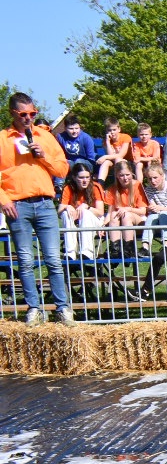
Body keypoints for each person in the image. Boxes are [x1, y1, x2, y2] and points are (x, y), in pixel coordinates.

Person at [0, 93, 73, 325]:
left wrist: (43, 157)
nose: (29, 118)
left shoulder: (45, 137)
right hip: (17, 206)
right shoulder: (2, 138)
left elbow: (62, 170)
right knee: (25, 260)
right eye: (24, 114)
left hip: (44, 204)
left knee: (53, 259)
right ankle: (34, 308)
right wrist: (3, 199)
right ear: (12, 113)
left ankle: (62, 308)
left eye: (33, 114)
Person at [96, 160, 147, 259]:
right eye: (121, 175)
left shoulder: (138, 186)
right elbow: (110, 212)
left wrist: (128, 209)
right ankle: (115, 249)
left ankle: (128, 249)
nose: (125, 178)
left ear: (132, 173)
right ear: (117, 176)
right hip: (120, 221)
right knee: (114, 215)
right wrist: (104, 225)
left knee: (126, 215)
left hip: (138, 219)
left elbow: (143, 211)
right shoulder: (113, 189)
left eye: (127, 175)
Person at [59, 163, 106, 262]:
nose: (85, 180)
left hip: (94, 220)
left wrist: (87, 207)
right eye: (81, 177)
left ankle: (87, 252)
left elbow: (100, 212)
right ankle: (70, 252)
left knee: (85, 212)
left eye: (87, 177)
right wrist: (67, 207)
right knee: (66, 213)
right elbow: (59, 211)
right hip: (76, 220)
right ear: (74, 177)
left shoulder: (96, 187)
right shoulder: (68, 188)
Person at [138, 161, 167, 254]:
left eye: (155, 178)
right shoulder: (149, 190)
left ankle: (166, 244)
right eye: (150, 179)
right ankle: (145, 246)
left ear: (162, 176)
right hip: (159, 218)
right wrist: (152, 209)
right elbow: (153, 207)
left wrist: (160, 208)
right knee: (151, 216)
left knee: (163, 214)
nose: (153, 181)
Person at [95, 118, 130, 183]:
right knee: (106, 163)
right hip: (114, 162)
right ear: (106, 131)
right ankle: (100, 184)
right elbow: (111, 156)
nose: (112, 132)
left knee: (118, 159)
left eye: (114, 130)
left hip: (128, 162)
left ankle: (118, 184)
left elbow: (121, 155)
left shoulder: (125, 137)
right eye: (109, 130)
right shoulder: (106, 141)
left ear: (119, 129)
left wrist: (105, 157)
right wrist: (108, 142)